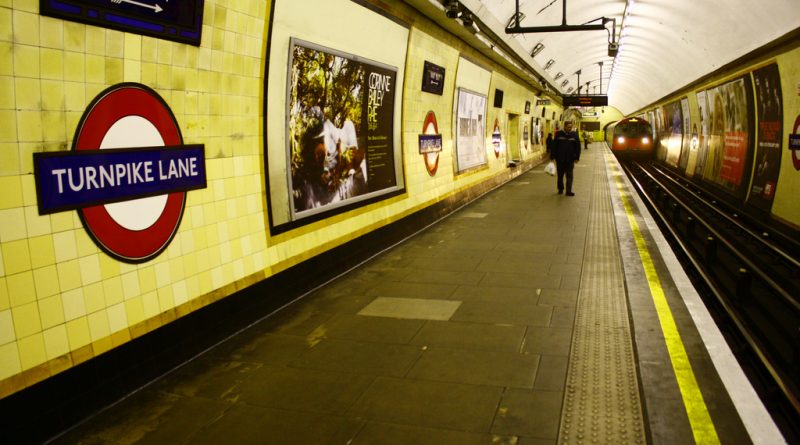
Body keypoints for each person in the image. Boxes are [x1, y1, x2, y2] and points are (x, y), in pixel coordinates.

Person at [551, 121, 581, 196]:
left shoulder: (574, 135)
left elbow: (578, 147)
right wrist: (552, 156)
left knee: (569, 176)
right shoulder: (559, 134)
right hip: (560, 159)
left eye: (571, 127)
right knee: (560, 175)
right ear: (564, 126)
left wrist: (577, 157)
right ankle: (560, 189)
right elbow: (554, 146)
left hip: (570, 159)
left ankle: (568, 191)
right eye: (568, 127)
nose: (570, 128)